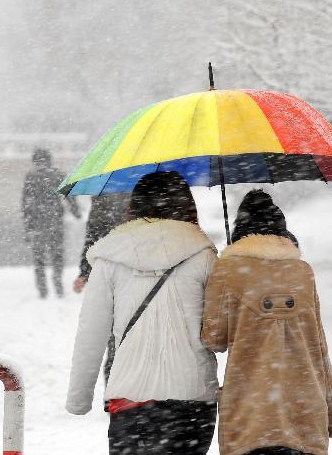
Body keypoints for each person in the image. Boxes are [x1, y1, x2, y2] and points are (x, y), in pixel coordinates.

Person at [67, 171, 219, 454]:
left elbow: (91, 333)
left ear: (134, 205)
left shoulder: (109, 257)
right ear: (186, 205)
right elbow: (219, 331)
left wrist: (79, 398)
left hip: (130, 398)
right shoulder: (204, 255)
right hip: (192, 397)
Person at [202, 190, 332, 455]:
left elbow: (213, 338)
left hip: (252, 411)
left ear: (240, 228)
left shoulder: (228, 270)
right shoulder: (302, 272)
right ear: (282, 230)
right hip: (305, 407)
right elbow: (319, 345)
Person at [21, 148, 80, 299]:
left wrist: (28, 227)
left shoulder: (31, 177)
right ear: (50, 160)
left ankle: (42, 289)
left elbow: (26, 204)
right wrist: (75, 210)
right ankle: (58, 283)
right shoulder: (58, 174)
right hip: (55, 221)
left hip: (37, 223)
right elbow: (69, 195)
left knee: (39, 258)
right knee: (57, 255)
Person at [73, 193, 130, 294]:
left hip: (117, 266)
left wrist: (84, 273)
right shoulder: (137, 188)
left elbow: (91, 241)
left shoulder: (101, 189)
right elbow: (91, 241)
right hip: (127, 266)